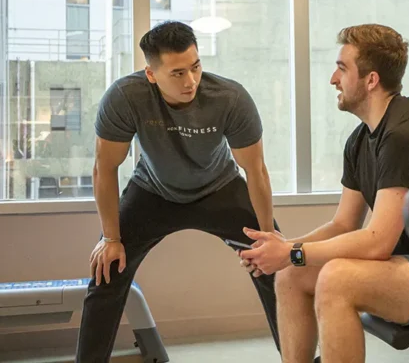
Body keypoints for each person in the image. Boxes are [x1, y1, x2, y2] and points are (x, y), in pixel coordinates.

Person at [237, 24, 409, 363]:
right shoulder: (360, 140)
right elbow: (343, 224)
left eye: (342, 68)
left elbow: (377, 243)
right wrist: (285, 250)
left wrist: (294, 251)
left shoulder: (405, 134)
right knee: (292, 273)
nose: (333, 78)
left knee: (336, 278)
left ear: (371, 80)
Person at [76, 21, 281, 362]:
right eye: (177, 73)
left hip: (220, 188)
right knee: (107, 270)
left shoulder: (230, 98)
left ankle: (300, 355)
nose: (190, 82)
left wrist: (268, 236)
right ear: (152, 74)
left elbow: (256, 170)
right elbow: (104, 168)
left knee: (276, 266)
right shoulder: (126, 97)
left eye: (195, 67)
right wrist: (111, 238)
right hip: (152, 191)